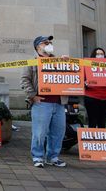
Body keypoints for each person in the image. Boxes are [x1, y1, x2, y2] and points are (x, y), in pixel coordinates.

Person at [20, 35, 68, 168]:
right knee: (40, 132)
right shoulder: (32, 62)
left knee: (58, 132)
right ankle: (37, 156)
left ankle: (53, 157)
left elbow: (70, 76)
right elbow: (24, 80)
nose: (49, 44)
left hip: (59, 103)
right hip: (42, 103)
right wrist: (33, 96)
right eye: (45, 42)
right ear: (38, 46)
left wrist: (68, 63)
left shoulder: (59, 61)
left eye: (50, 42)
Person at [84, 47, 106, 128]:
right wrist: (85, 83)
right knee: (92, 122)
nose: (100, 56)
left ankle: (101, 141)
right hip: (91, 98)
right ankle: (91, 140)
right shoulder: (87, 66)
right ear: (94, 56)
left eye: (102, 54)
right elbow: (81, 81)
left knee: (102, 123)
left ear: (104, 56)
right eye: (97, 54)